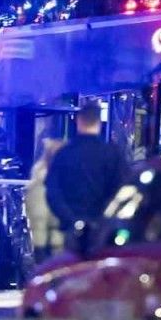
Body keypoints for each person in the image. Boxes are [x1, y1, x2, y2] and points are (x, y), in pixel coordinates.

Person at [46, 101, 129, 240]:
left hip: (70, 228)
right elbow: (121, 189)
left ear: (78, 121)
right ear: (99, 122)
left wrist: (71, 220)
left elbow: (53, 192)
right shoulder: (111, 153)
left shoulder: (64, 153)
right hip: (101, 228)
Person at [25, 137, 67, 263]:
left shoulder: (52, 179)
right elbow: (39, 216)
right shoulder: (43, 181)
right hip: (53, 244)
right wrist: (40, 246)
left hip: (58, 242)